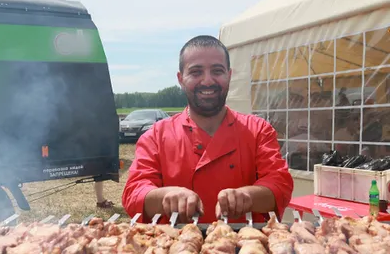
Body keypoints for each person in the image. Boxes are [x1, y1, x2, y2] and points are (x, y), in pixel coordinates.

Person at [122, 35, 294, 224]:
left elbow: (280, 184)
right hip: (174, 247)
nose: (207, 81)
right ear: (181, 79)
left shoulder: (258, 130)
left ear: (229, 75)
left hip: (245, 247)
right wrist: (165, 196)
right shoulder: (155, 136)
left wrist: (246, 196)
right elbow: (134, 193)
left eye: (217, 71)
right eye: (196, 72)